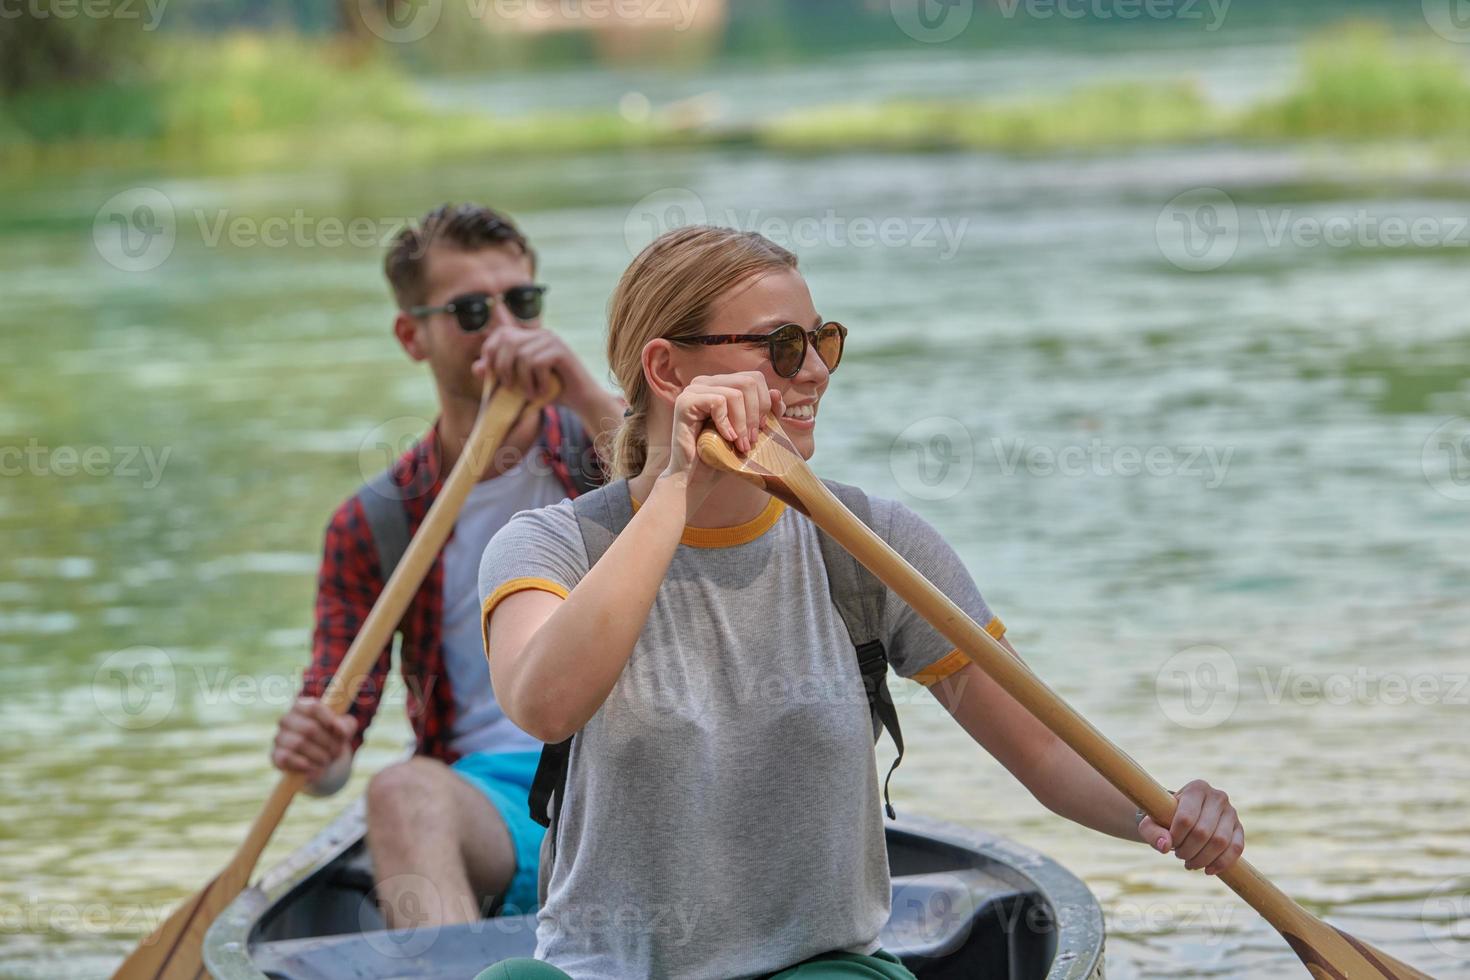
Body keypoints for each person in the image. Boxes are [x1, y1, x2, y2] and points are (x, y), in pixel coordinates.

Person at [474, 226, 1245, 978]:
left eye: (823, 340)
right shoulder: (550, 546)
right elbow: (547, 704)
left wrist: (1159, 812)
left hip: (820, 968)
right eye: (781, 346)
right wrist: (677, 485)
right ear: (668, 371)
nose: (814, 371)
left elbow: (1044, 748)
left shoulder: (870, 542)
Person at [270, 203, 624, 928]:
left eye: (521, 304)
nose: (503, 330)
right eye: (470, 310)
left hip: (642, 777)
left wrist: (586, 393)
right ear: (412, 336)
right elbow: (335, 751)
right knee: (399, 792)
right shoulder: (374, 524)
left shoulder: (607, 446)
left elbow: (696, 496)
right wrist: (317, 754)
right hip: (499, 806)